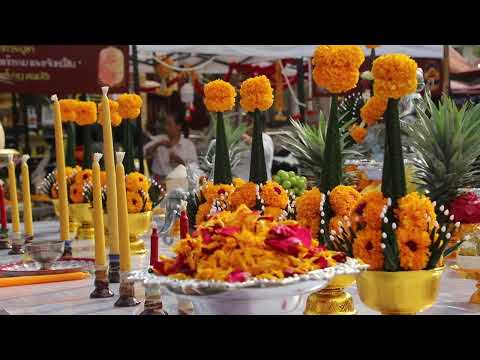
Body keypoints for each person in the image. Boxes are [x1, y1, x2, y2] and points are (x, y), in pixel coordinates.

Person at [143, 110, 198, 182]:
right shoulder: (160, 139)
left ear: (179, 126)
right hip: (158, 183)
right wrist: (158, 144)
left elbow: (195, 169)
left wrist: (180, 162)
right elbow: (143, 153)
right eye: (165, 124)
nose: (166, 127)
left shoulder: (188, 145)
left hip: (180, 184)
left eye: (169, 124)